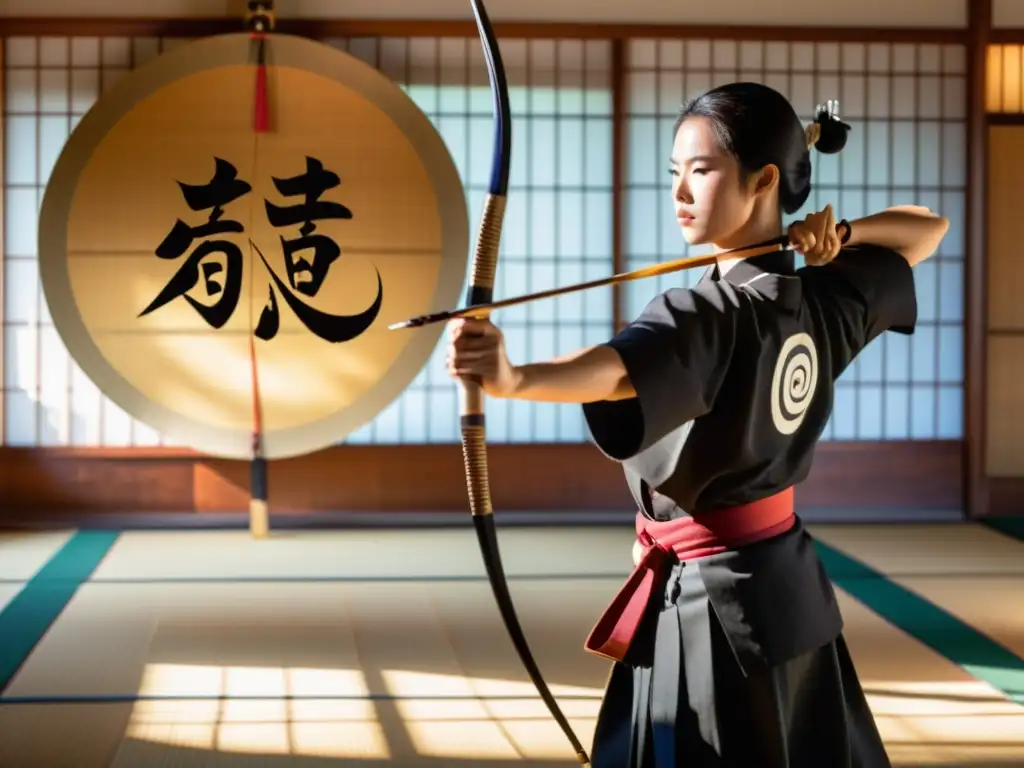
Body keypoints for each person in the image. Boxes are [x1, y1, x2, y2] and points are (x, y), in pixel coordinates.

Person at [446, 82, 949, 767]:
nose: (680, 192)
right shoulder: (828, 298)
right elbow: (925, 230)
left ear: (764, 179)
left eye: (702, 171)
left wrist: (515, 379)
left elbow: (617, 368)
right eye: (674, 174)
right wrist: (841, 241)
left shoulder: (709, 311)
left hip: (710, 607)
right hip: (789, 588)